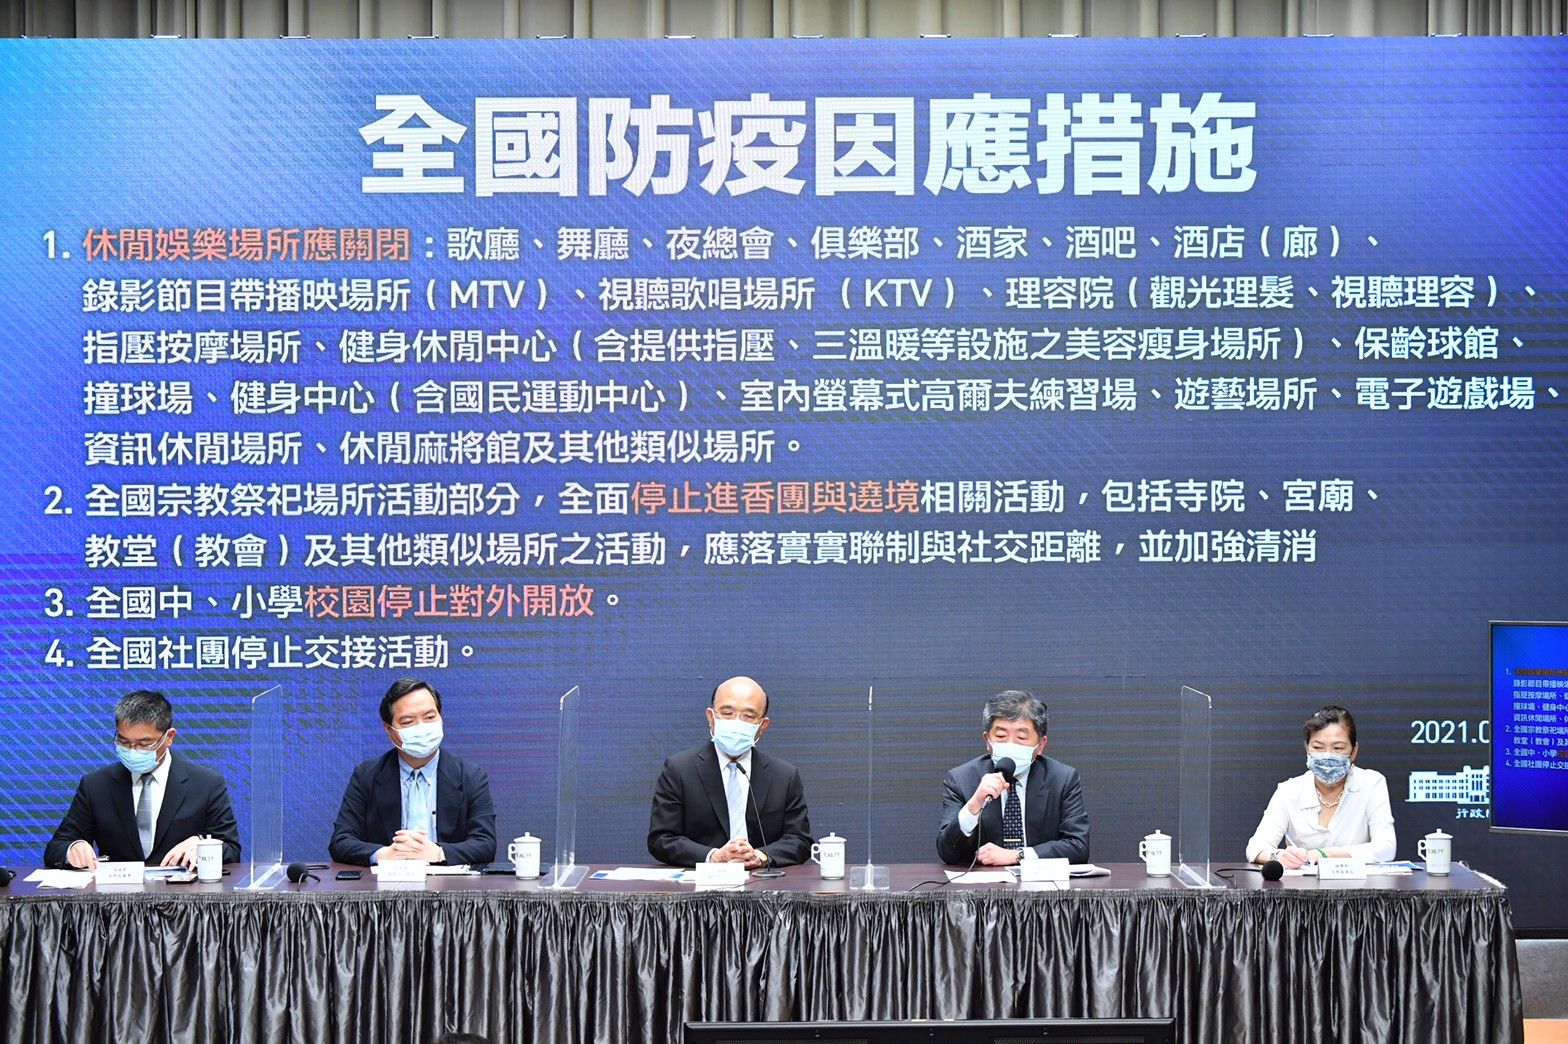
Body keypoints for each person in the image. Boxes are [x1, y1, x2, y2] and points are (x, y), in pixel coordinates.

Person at [45, 690, 241, 870]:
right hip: (116, 894)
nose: (132, 751)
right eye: (123, 741)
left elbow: (231, 850)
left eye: (144, 744)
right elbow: (56, 848)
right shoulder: (96, 785)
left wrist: (202, 845)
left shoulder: (206, 784)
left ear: (169, 737)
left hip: (183, 894)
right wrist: (73, 848)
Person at [647, 675, 813, 868]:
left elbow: (800, 840)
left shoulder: (784, 776)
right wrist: (715, 856)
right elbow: (661, 839)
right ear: (711, 717)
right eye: (727, 713)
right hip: (702, 882)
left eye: (748, 716)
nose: (736, 722)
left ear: (762, 726)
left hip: (764, 881)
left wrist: (760, 856)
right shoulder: (679, 769)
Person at [328, 677, 497, 866]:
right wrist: (383, 854)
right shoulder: (367, 775)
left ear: (441, 718)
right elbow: (341, 841)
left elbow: (485, 844)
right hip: (386, 881)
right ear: (389, 730)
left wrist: (438, 853)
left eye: (430, 717)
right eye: (408, 721)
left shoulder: (470, 776)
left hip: (449, 881)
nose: (421, 727)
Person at [937, 689, 1090, 866]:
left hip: (1041, 881)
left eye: (1021, 737)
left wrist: (1017, 855)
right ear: (987, 741)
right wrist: (974, 805)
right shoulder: (961, 780)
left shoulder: (1062, 779)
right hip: (985, 881)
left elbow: (1078, 846)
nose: (1010, 745)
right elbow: (947, 853)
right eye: (1001, 736)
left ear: (1040, 745)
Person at [1246, 704, 1396, 867]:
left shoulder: (1371, 783)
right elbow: (1255, 848)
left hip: (1357, 882)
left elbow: (1386, 848)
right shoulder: (1289, 790)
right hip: (1301, 883)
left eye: (1338, 748)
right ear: (1307, 749)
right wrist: (1279, 856)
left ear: (1354, 751)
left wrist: (1324, 854)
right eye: (1318, 747)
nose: (1327, 755)